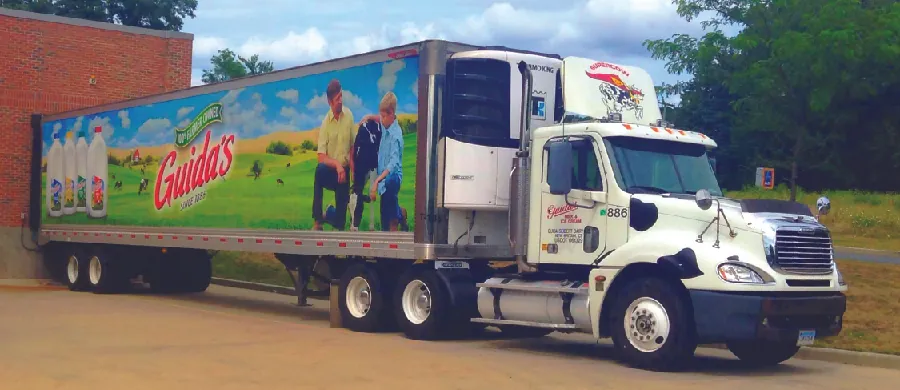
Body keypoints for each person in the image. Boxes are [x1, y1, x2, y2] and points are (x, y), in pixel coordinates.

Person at [312, 79, 356, 231]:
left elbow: (352, 146)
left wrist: (353, 171)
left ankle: (329, 213)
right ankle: (318, 219)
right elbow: (321, 156)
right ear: (330, 102)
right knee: (319, 171)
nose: (341, 101)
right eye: (337, 99)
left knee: (340, 224)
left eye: (341, 96)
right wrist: (337, 165)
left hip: (345, 174)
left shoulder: (349, 116)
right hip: (332, 171)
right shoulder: (325, 123)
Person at [369, 92, 407, 232]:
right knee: (384, 224)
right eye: (381, 116)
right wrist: (369, 117)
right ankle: (400, 213)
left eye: (384, 116)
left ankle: (395, 221)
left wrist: (377, 181)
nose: (381, 119)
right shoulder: (386, 125)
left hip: (393, 178)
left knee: (390, 182)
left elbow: (393, 165)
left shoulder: (396, 136)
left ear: (392, 114)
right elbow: (378, 119)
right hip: (383, 181)